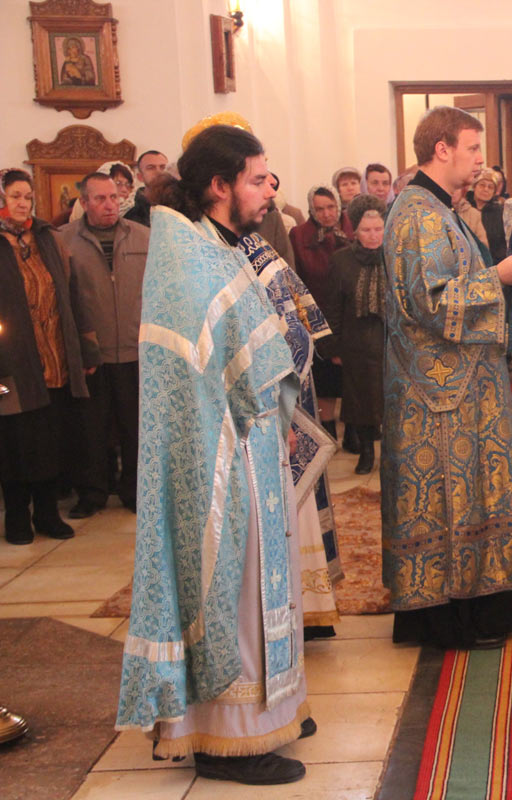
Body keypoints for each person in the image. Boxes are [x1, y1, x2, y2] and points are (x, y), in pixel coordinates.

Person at [115, 123, 311, 785]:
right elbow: (212, 369)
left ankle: (269, 710)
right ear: (219, 185)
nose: (268, 190)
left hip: (251, 441)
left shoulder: (217, 245)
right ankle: (228, 740)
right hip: (220, 455)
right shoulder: (191, 259)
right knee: (235, 589)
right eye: (256, 179)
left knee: (262, 586)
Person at [384, 106, 512, 649]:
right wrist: (495, 278)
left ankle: (479, 607)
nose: (480, 160)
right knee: (449, 499)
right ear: (442, 149)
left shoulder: (438, 208)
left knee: (473, 494)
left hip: (458, 384)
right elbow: (429, 302)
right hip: (437, 393)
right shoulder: (420, 214)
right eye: (473, 148)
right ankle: (450, 617)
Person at [0, 169, 98, 544]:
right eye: (15, 196)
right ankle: (17, 517)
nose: (23, 203)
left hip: (53, 358)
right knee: (14, 441)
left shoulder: (47, 238)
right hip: (10, 365)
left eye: (28, 197)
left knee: (50, 439)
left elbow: (72, 295)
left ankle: (46, 514)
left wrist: (85, 348)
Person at [60, 172, 149, 517]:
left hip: (134, 348)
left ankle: (134, 490)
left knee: (135, 427)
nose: (110, 204)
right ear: (84, 202)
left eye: (113, 197)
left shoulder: (143, 236)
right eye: (100, 199)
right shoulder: (64, 240)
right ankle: (92, 493)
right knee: (91, 429)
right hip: (92, 353)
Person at [323, 195, 387, 475]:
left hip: (388, 339)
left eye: (378, 229)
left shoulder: (396, 258)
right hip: (355, 340)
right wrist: (333, 347)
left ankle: (391, 455)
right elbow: (333, 306)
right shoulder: (341, 261)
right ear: (355, 232)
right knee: (360, 400)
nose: (373, 235)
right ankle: (366, 453)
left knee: (389, 399)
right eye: (366, 230)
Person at [289, 185, 353, 446]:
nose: (326, 214)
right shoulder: (299, 235)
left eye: (331, 207)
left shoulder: (351, 231)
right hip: (316, 316)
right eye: (320, 209)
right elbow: (297, 275)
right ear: (311, 210)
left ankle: (353, 433)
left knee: (351, 380)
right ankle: (328, 432)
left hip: (348, 317)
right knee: (325, 380)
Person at [466, 168, 507, 264]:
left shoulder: (500, 212)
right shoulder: (464, 208)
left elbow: (502, 245)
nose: (486, 189)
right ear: (474, 186)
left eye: (490, 187)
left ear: (494, 192)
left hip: (493, 263)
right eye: (482, 185)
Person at [125, 150, 169, 226]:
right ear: (140, 177)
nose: (159, 172)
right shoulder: (132, 215)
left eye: (163, 167)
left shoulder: (183, 203)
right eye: (151, 168)